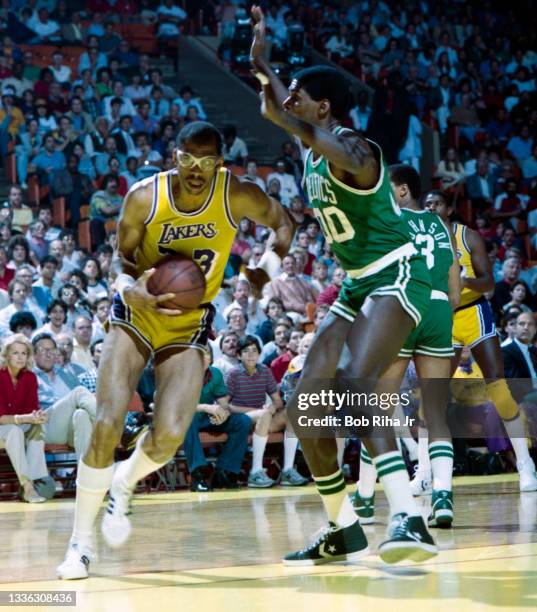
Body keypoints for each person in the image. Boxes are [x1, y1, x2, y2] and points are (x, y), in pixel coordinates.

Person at [57, 120, 295, 580]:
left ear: (219, 164)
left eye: (207, 161)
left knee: (167, 439)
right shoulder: (146, 196)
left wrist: (262, 272)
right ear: (174, 155)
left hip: (190, 322)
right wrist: (131, 289)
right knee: (107, 422)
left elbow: (283, 223)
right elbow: (119, 258)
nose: (196, 169)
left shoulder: (236, 193)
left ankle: (124, 483)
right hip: (137, 313)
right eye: (188, 158)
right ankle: (80, 544)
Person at [250, 6, 437, 566]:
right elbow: (275, 104)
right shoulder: (311, 140)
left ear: (323, 107)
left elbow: (286, 117)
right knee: (305, 401)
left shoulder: (357, 151)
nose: (288, 101)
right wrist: (262, 65)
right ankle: (343, 527)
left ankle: (409, 516)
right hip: (357, 283)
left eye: (298, 95)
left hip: (398, 272)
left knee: (355, 384)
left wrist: (272, 82)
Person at [353, 164, 460, 529]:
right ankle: (443, 495)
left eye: (387, 188)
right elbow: (454, 282)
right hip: (439, 308)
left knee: (376, 409)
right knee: (435, 411)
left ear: (401, 191)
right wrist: (441, 312)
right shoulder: (439, 225)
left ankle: (365, 498)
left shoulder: (388, 219)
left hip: (402, 306)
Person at [426, 190, 537, 493]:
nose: (430, 208)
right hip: (443, 318)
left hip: (474, 312)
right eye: (426, 205)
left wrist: (464, 282)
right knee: (433, 395)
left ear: (448, 208)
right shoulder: (421, 242)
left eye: (436, 203)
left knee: (498, 387)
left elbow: (489, 283)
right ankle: (425, 471)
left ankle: (525, 464)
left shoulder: (468, 237)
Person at [183, 347, 251, 491]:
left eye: (206, 354)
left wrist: (223, 413)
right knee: (188, 420)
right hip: (183, 419)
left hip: (205, 418)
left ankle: (224, 472)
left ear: (211, 357)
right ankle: (198, 475)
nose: (203, 357)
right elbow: (176, 406)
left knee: (242, 421)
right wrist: (206, 407)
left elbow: (223, 403)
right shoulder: (179, 373)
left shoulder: (215, 373)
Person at [0, 334, 49, 503]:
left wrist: (37, 416)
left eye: (24, 353)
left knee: (38, 427)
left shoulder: (30, 377)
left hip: (19, 426)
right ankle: (27, 486)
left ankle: (35, 479)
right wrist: (25, 418)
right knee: (13, 431)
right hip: (4, 428)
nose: (20, 357)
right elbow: (0, 418)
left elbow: (31, 409)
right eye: (15, 353)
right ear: (6, 355)